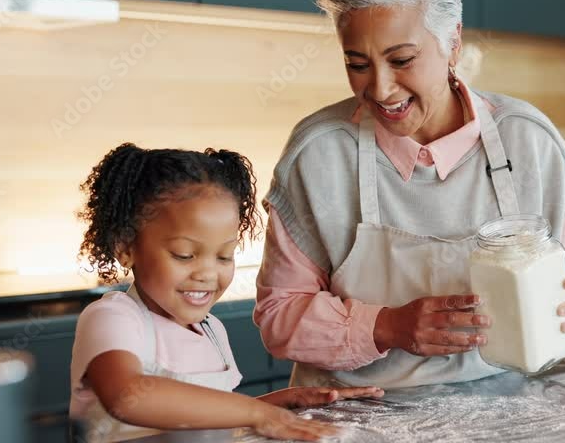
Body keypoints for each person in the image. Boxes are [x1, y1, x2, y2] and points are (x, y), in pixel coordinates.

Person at [254, 0, 565, 389]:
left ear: (452, 43)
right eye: (357, 64)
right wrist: (386, 326)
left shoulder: (529, 140)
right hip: (352, 415)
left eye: (401, 60)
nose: (380, 89)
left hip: (502, 411)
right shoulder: (318, 155)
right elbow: (278, 315)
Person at [69, 143, 382, 442]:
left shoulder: (211, 329)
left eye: (224, 256)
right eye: (184, 254)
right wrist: (256, 413)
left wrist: (280, 403)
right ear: (125, 248)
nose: (207, 273)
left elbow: (201, 418)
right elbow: (127, 396)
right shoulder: (114, 317)